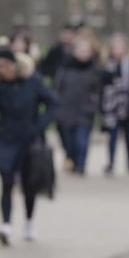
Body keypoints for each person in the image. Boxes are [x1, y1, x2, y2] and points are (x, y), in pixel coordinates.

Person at [0, 49, 58, 246]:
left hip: (29, 140)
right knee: (6, 182)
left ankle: (29, 222)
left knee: (28, 184)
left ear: (14, 64)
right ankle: (5, 225)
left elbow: (52, 102)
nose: (2, 69)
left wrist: (40, 125)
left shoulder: (32, 81)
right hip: (6, 138)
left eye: (5, 64)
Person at [54, 36, 101, 175]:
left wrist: (94, 104)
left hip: (85, 112)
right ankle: (72, 160)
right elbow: (57, 88)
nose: (83, 53)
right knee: (69, 142)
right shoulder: (65, 68)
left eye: (86, 50)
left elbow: (99, 90)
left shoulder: (95, 70)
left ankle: (81, 165)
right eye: (81, 50)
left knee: (82, 141)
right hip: (66, 110)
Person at [101, 33, 129, 175]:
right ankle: (111, 162)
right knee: (112, 136)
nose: (118, 49)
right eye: (115, 46)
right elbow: (103, 85)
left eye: (120, 46)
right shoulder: (107, 65)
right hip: (112, 108)